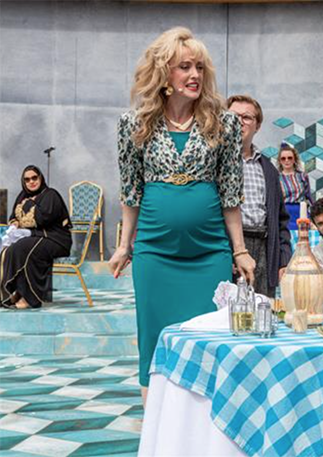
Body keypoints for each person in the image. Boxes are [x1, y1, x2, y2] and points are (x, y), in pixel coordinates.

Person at [108, 28, 255, 398]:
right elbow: (131, 192)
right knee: (154, 343)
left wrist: (239, 250)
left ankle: (202, 427)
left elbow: (231, 194)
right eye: (184, 67)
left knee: (208, 344)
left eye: (199, 68)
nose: (194, 75)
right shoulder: (134, 123)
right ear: (163, 74)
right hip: (155, 253)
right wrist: (124, 246)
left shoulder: (224, 123)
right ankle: (156, 428)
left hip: (209, 253)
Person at [226, 95, 292, 298]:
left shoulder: (269, 169)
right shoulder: (213, 162)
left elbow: (281, 219)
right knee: (227, 310)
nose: (239, 121)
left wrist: (283, 259)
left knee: (263, 307)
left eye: (246, 117)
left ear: (258, 125)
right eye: (233, 116)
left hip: (264, 247)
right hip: (228, 247)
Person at [1, 166, 72, 309]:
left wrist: (29, 204)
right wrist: (15, 224)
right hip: (34, 237)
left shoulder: (51, 195)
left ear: (40, 178)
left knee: (21, 248)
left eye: (34, 178)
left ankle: (30, 297)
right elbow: (13, 217)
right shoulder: (22, 196)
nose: (31, 182)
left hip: (55, 239)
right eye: (27, 179)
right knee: (8, 249)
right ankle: (14, 292)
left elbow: (43, 219)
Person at [277, 143, 314, 230]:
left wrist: (314, 215)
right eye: (283, 158)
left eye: (290, 158)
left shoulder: (302, 176)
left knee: (303, 236)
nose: (286, 160)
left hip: (301, 212)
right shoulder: (276, 178)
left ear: (294, 159)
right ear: (280, 161)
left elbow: (308, 197)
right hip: (284, 213)